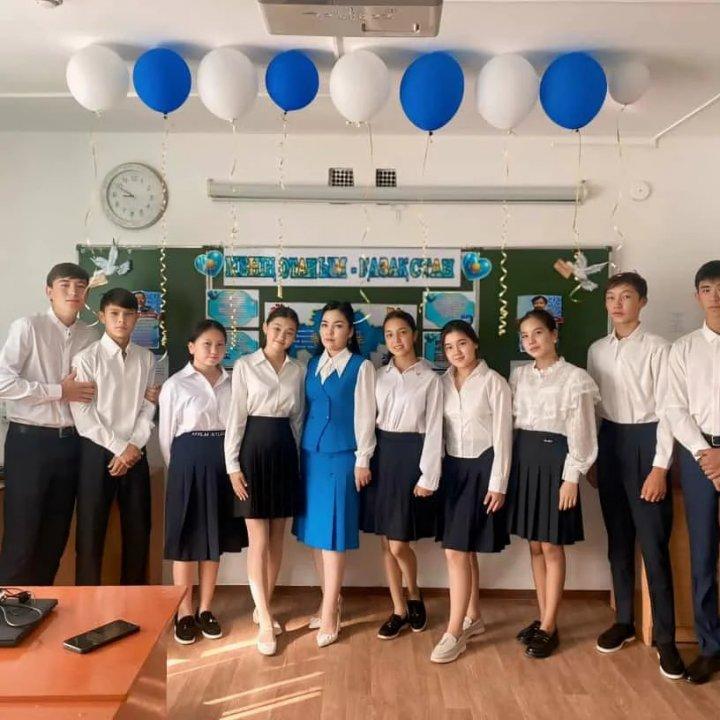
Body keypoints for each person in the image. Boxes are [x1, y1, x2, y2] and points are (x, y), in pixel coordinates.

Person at [586, 272, 684, 680]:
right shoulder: (597, 350)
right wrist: (592, 457)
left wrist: (660, 467)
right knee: (619, 540)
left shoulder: (660, 348)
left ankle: (666, 639)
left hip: (648, 440)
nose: (617, 304)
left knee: (654, 545)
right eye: (611, 297)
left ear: (642, 302)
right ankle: (624, 620)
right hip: (610, 443)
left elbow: (669, 410)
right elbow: (593, 406)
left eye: (626, 297)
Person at [507, 309, 599, 659]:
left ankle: (549, 625)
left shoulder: (575, 378)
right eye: (524, 336)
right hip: (525, 462)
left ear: (554, 335)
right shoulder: (519, 376)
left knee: (551, 545)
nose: (531, 341)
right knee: (534, 544)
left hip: (556, 463)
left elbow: (583, 433)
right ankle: (544, 616)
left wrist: (571, 477)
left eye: (538, 333)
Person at [0, 263, 96, 585]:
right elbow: (3, 382)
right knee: (22, 535)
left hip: (72, 445)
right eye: (65, 285)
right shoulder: (28, 327)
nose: (73, 292)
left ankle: (37, 607)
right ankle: (7, 611)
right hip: (30, 442)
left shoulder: (90, 335)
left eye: (80, 286)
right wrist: (58, 392)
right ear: (49, 291)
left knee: (55, 537)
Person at [292, 301, 376, 648]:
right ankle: (331, 599)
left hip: (343, 456)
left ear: (351, 331)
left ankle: (329, 612)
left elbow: (366, 416)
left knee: (334, 534)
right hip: (311, 455)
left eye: (338, 325)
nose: (330, 332)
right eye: (325, 325)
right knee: (315, 533)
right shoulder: (311, 365)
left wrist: (363, 459)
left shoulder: (361, 367)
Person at [160, 320, 247, 645]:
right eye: (207, 344)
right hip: (187, 462)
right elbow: (167, 437)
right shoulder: (175, 384)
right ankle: (184, 612)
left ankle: (205, 608)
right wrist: (182, 469)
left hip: (223, 461)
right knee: (185, 539)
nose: (214, 351)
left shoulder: (233, 382)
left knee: (213, 538)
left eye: (220, 345)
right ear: (191, 347)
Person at [224, 306, 305, 656]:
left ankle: (264, 606)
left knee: (276, 538)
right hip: (252, 452)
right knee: (257, 539)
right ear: (264, 328)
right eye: (277, 329)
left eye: (289, 332)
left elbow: (298, 420)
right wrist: (232, 466)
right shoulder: (245, 365)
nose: (282, 336)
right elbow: (236, 417)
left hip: (284, 452)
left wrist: (298, 464)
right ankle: (266, 620)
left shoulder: (298, 370)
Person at [431, 320, 512, 664]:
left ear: (475, 343)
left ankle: (454, 633)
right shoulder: (441, 383)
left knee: (456, 551)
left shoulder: (495, 383)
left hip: (483, 468)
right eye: (449, 347)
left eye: (462, 343)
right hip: (452, 470)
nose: (456, 352)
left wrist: (498, 484)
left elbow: (504, 437)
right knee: (463, 550)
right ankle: (473, 616)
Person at [360, 310, 442, 641]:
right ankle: (398, 609)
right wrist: (364, 460)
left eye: (403, 332)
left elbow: (435, 430)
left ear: (414, 335)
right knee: (386, 540)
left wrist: (428, 475)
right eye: (390, 334)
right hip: (382, 455)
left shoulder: (430, 378)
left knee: (398, 542)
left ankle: (414, 594)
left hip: (412, 456)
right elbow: (367, 420)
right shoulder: (377, 376)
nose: (396, 339)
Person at [70, 288, 157, 586]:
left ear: (137, 318)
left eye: (128, 314)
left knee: (139, 530)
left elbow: (148, 406)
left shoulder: (146, 358)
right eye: (115, 314)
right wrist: (120, 448)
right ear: (102, 316)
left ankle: (135, 599)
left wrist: (133, 446)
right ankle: (87, 602)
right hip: (97, 451)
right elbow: (83, 415)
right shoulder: (87, 358)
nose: (121, 320)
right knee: (91, 532)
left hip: (135, 451)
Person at [666, 260, 720, 684]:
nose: (715, 296)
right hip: (699, 456)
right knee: (702, 555)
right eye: (707, 289)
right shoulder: (683, 349)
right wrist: (706, 454)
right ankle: (710, 646)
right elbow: (674, 408)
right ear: (697, 296)